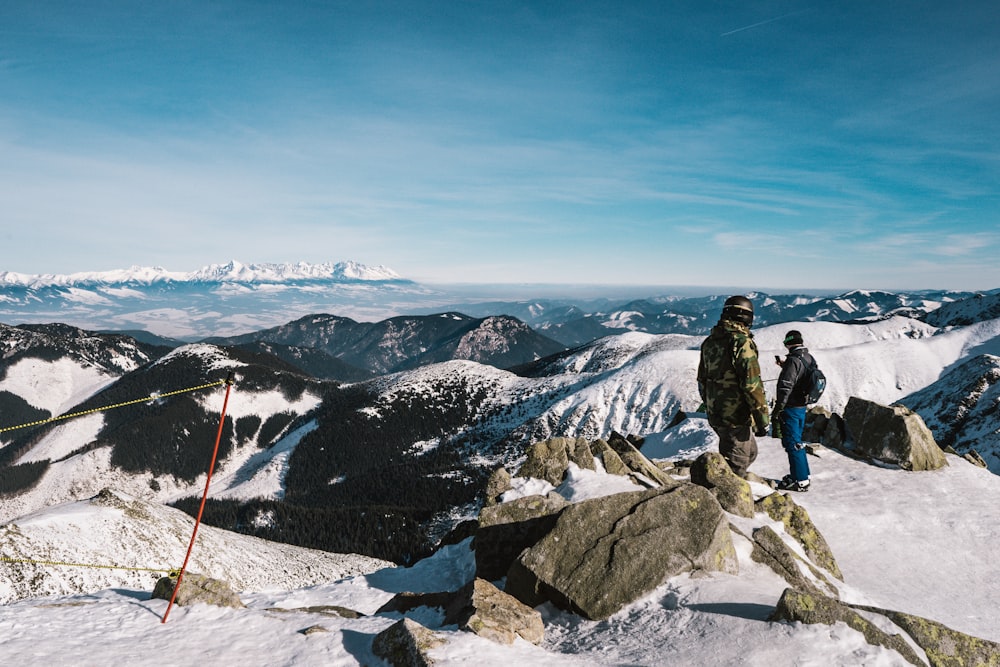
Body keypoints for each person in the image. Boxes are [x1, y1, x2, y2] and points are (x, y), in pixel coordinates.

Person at [697, 295, 770, 478]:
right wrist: (762, 420)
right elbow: (752, 385)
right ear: (746, 317)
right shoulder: (741, 343)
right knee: (736, 463)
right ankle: (724, 499)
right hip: (735, 415)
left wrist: (711, 404)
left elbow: (702, 379)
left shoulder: (710, 342)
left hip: (717, 412)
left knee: (749, 452)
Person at [772, 330, 814, 492]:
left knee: (792, 443)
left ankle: (800, 481)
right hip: (802, 406)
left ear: (788, 343)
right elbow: (802, 375)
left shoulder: (793, 360)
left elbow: (785, 386)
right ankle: (803, 475)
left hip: (791, 406)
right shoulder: (807, 357)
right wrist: (785, 365)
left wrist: (779, 407)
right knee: (798, 442)